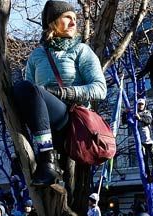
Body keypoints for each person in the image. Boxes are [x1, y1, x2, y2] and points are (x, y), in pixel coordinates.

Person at [12, 0, 107, 186]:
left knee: (33, 91)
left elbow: (100, 89)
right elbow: (29, 92)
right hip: (44, 121)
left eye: (75, 18)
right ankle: (37, 155)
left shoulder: (81, 51)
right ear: (52, 22)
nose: (74, 23)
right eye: (67, 18)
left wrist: (63, 93)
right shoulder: (36, 56)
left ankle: (47, 157)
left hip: (70, 118)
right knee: (21, 89)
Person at [134, 98, 153, 181]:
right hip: (141, 142)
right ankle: (148, 175)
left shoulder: (147, 112)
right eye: (139, 104)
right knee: (145, 159)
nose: (140, 106)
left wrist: (140, 118)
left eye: (142, 104)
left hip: (149, 140)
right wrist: (125, 113)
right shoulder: (134, 114)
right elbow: (125, 121)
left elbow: (148, 120)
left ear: (144, 105)